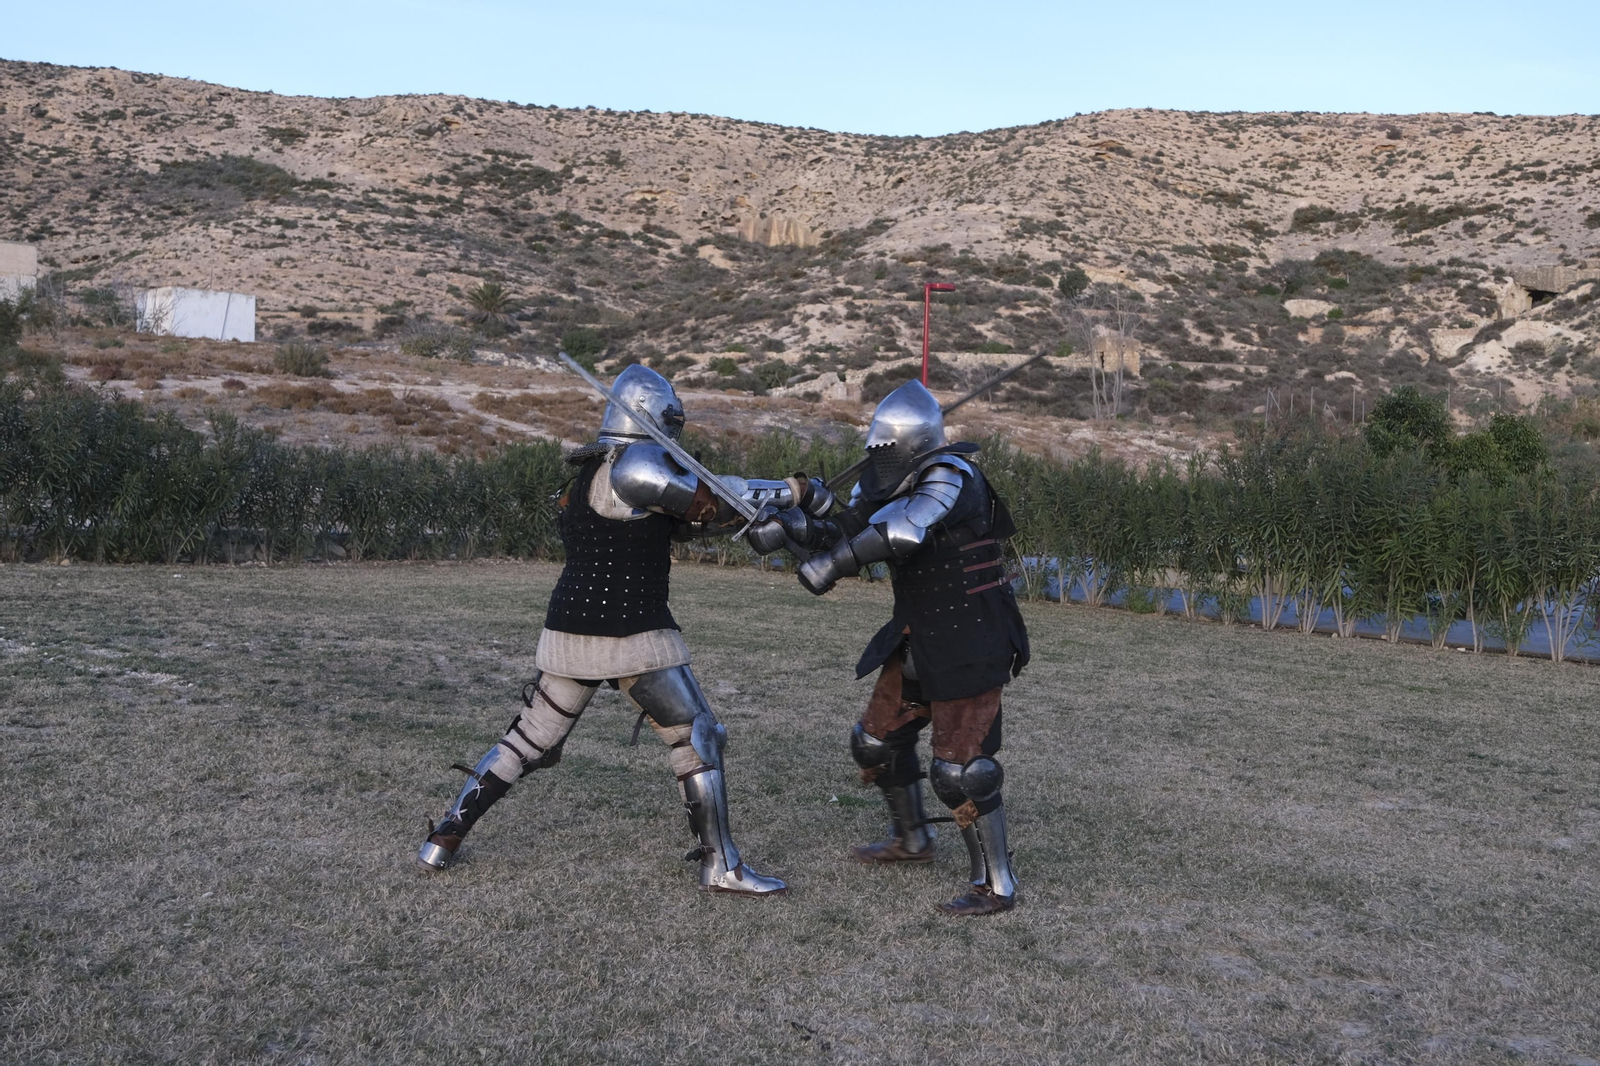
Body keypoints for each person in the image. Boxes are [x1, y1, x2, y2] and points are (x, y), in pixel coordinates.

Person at [418, 364, 832, 896]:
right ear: (656, 417)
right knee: (698, 736)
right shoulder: (635, 465)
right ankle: (722, 865)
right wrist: (795, 490)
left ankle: (442, 840)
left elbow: (697, 516)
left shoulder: (595, 470)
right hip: (630, 635)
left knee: (529, 740)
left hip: (572, 630)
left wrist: (765, 517)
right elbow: (714, 497)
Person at [746, 379, 1029, 915]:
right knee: (875, 743)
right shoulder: (887, 482)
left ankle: (996, 883)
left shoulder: (953, 474)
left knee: (961, 770)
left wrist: (832, 566)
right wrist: (787, 528)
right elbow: (845, 528)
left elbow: (900, 533)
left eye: (886, 450)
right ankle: (913, 838)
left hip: (972, 637)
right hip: (920, 633)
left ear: (910, 445)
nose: (878, 460)